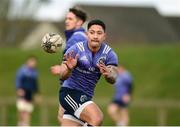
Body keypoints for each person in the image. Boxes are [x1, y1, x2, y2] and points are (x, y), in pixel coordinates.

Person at [51, 19, 118, 126]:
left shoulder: (109, 54)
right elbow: (63, 76)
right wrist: (69, 68)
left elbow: (114, 76)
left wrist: (109, 74)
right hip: (69, 92)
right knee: (97, 118)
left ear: (104, 36)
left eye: (99, 33)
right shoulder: (75, 50)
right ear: (87, 34)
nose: (95, 36)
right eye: (92, 32)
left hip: (86, 97)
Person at [51, 7, 88, 124]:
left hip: (71, 87)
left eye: (70, 19)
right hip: (80, 87)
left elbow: (75, 62)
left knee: (63, 119)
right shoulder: (83, 37)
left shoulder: (75, 38)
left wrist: (62, 68)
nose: (66, 21)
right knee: (74, 121)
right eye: (66, 18)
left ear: (80, 22)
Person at [15, 55, 40, 126]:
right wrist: (18, 88)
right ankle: (20, 124)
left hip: (30, 94)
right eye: (31, 61)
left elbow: (35, 84)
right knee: (21, 109)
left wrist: (37, 93)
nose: (33, 63)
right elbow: (18, 80)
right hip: (22, 93)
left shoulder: (34, 72)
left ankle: (26, 124)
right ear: (27, 61)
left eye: (34, 62)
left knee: (28, 110)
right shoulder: (22, 70)